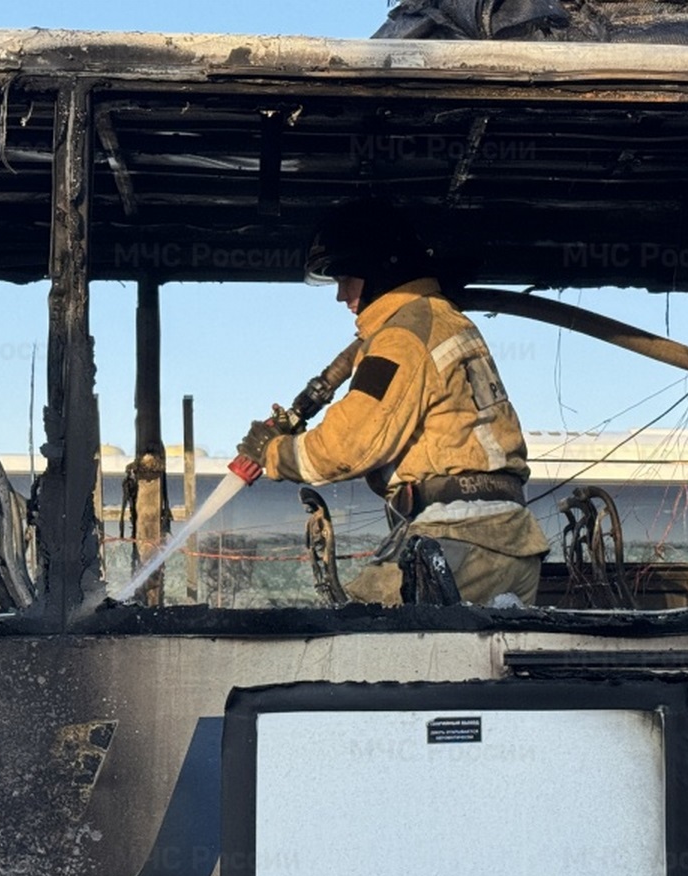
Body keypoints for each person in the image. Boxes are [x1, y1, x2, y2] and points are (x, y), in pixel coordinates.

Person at [235, 198, 549, 607]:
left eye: (347, 278)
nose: (341, 295)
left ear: (380, 270)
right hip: (501, 540)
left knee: (355, 631)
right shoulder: (439, 318)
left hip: (460, 540)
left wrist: (274, 452)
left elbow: (349, 446)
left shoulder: (402, 336)